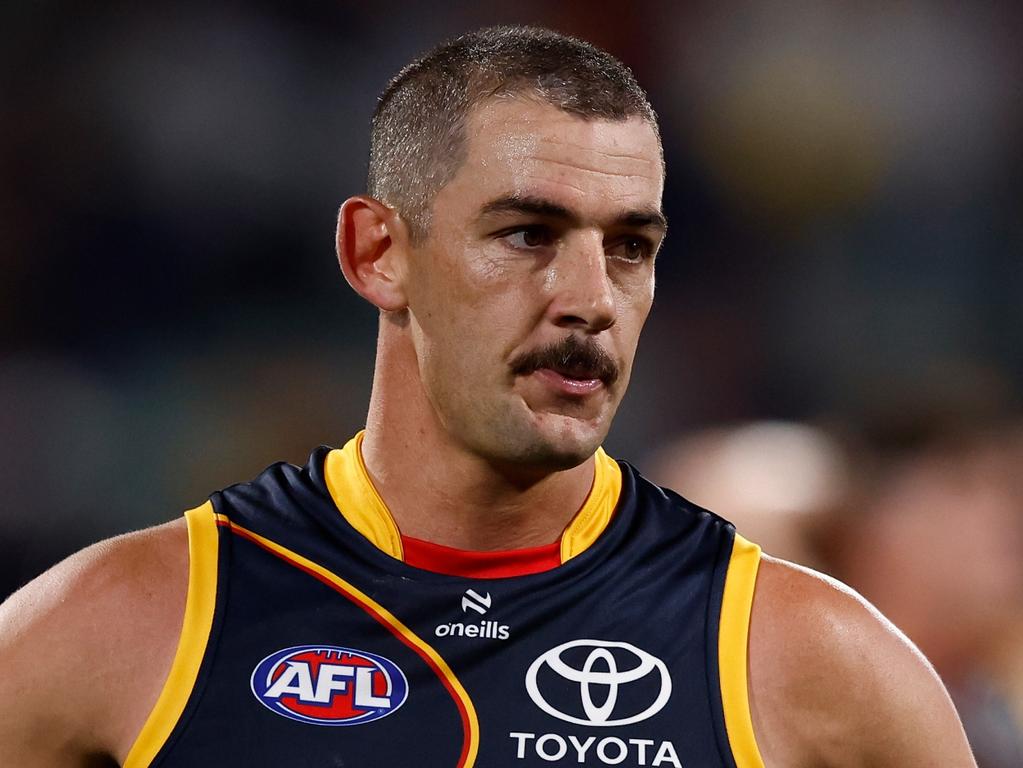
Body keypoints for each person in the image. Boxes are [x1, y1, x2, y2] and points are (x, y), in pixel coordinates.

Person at [0, 26, 976, 768]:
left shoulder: (814, 664)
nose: (592, 300)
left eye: (630, 247)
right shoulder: (127, 627)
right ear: (377, 252)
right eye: (526, 234)